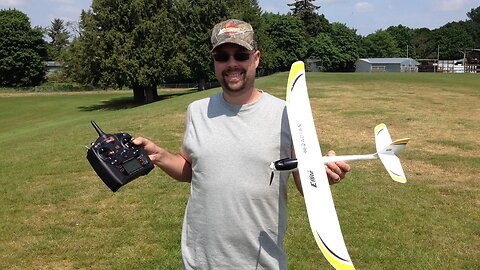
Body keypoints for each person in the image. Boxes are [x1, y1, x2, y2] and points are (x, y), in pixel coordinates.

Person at [133, 19, 350, 270]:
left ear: (256, 58)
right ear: (214, 62)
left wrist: (323, 174)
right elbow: (191, 169)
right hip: (199, 261)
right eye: (222, 56)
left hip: (261, 262)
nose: (232, 63)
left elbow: (305, 184)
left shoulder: (286, 114)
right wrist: (159, 155)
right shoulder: (197, 111)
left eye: (241, 55)